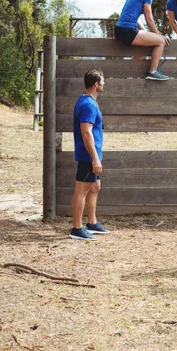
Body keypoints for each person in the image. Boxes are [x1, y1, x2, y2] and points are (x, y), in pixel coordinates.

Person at [69, 69, 110, 241]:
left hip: (92, 155)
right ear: (96, 84)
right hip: (88, 156)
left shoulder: (88, 101)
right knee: (82, 190)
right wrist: (94, 157)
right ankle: (76, 228)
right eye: (103, 80)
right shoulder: (88, 105)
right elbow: (86, 133)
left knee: (94, 187)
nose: (104, 83)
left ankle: (92, 223)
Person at [115, 0, 171, 80]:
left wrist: (147, 33)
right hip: (128, 30)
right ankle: (153, 71)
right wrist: (159, 36)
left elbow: (135, 19)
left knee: (145, 48)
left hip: (119, 30)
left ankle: (125, 72)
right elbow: (149, 19)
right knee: (160, 42)